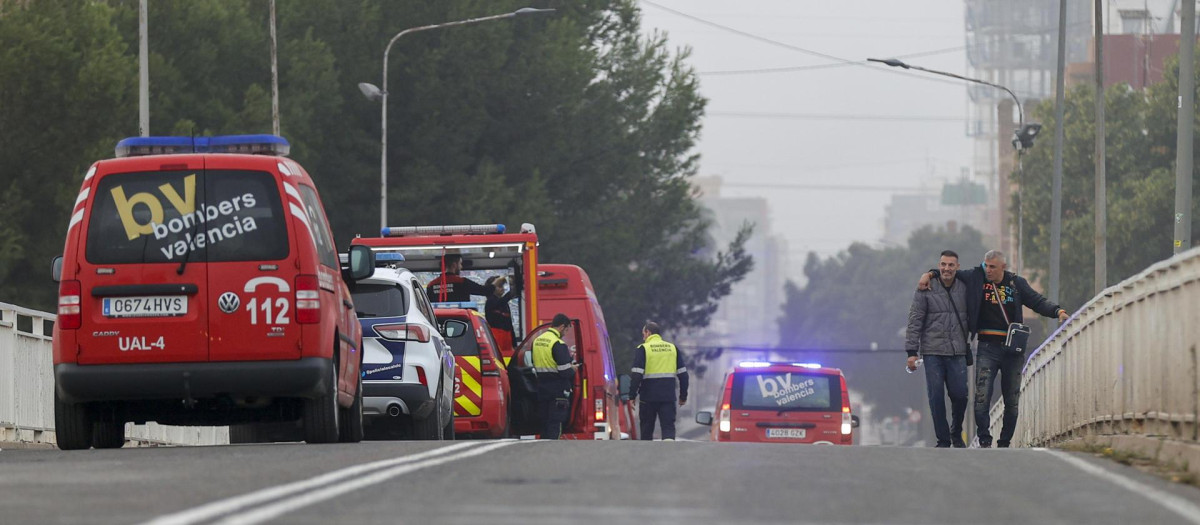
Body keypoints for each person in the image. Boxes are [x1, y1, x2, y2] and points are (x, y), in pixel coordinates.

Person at [918, 250, 1069, 448]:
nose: (987, 270)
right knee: (981, 398)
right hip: (987, 347)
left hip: (1012, 350)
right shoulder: (977, 277)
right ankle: (985, 439)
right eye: (986, 266)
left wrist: (1057, 311)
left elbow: (1036, 301)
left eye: (992, 267)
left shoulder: (1016, 284)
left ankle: (1004, 442)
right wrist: (928, 274)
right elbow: (949, 271)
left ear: (1003, 268)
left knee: (1012, 400)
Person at [905, 250, 971, 448]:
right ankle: (943, 439)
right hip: (932, 351)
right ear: (938, 265)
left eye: (951, 265)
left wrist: (930, 272)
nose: (946, 269)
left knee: (960, 395)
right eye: (943, 264)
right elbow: (915, 319)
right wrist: (911, 352)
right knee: (935, 397)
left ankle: (956, 431)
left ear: (957, 267)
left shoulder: (965, 287)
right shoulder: (926, 287)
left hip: (957, 351)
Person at [628, 321, 689, 441]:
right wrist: (683, 396)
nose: (643, 337)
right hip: (668, 397)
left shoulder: (643, 349)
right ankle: (667, 455)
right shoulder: (672, 348)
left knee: (646, 430)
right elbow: (683, 375)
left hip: (648, 398)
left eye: (643, 334)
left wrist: (632, 396)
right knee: (668, 429)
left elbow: (636, 375)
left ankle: (647, 457)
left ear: (648, 332)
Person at [531, 313, 577, 439]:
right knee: (555, 423)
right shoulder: (558, 344)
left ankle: (542, 449)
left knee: (544, 422)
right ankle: (552, 451)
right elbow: (565, 371)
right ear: (562, 327)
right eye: (567, 330)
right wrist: (573, 368)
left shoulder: (537, 341)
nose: (565, 333)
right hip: (557, 389)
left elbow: (534, 363)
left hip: (541, 387)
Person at [426, 254, 494, 304]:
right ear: (454, 265)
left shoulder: (431, 285)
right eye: (460, 264)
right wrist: (497, 282)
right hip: (461, 321)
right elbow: (484, 290)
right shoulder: (462, 282)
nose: (461, 267)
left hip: (438, 321)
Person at [483, 275, 522, 357]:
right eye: (499, 286)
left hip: (507, 338)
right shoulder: (490, 302)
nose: (502, 288)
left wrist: (514, 344)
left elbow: (510, 324)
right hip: (496, 336)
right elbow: (503, 300)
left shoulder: (505, 305)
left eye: (502, 286)